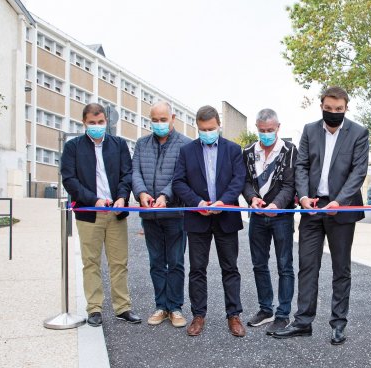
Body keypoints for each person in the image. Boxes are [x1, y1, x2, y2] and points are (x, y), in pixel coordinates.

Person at [273, 86, 369, 346]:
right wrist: (303, 197)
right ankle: (303, 322)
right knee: (307, 266)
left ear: (346, 108)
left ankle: (339, 324)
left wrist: (339, 201)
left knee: (341, 269)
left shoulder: (359, 133)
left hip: (342, 208)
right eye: (329, 108)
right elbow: (301, 165)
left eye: (339, 109)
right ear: (322, 107)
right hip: (312, 208)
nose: (334, 113)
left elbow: (358, 172)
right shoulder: (309, 130)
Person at [61, 102, 141, 327]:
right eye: (92, 123)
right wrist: (93, 200)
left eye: (100, 122)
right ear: (84, 123)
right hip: (90, 213)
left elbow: (127, 174)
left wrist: (121, 198)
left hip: (116, 213)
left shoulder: (119, 144)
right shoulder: (73, 147)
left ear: (106, 122)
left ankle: (122, 307)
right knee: (91, 262)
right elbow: (69, 179)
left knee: (119, 262)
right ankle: (94, 308)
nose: (97, 126)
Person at [171, 105, 247, 337]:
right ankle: (198, 315)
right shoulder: (187, 151)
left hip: (226, 217)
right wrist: (198, 203)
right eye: (203, 129)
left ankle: (233, 315)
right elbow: (179, 182)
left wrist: (223, 201)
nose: (207, 132)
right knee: (197, 269)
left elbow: (238, 179)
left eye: (211, 128)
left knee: (230, 268)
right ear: (198, 127)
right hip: (198, 218)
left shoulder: (233, 150)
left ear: (218, 125)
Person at [132, 101, 191, 328]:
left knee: (175, 262)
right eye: (154, 120)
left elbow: (181, 176)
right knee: (156, 262)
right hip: (150, 216)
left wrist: (165, 196)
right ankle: (160, 306)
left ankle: (175, 307)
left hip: (175, 214)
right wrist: (142, 193)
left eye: (163, 119)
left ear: (172, 118)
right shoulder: (141, 144)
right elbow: (135, 172)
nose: (159, 124)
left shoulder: (185, 145)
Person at [242, 109, 297, 335]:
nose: (265, 135)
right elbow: (244, 181)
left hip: (281, 216)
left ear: (278, 128)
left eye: (270, 130)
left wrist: (277, 205)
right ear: (257, 128)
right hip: (257, 216)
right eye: (262, 131)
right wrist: (251, 198)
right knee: (259, 264)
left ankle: (283, 314)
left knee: (285, 266)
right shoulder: (247, 152)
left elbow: (290, 184)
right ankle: (266, 309)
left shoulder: (289, 151)